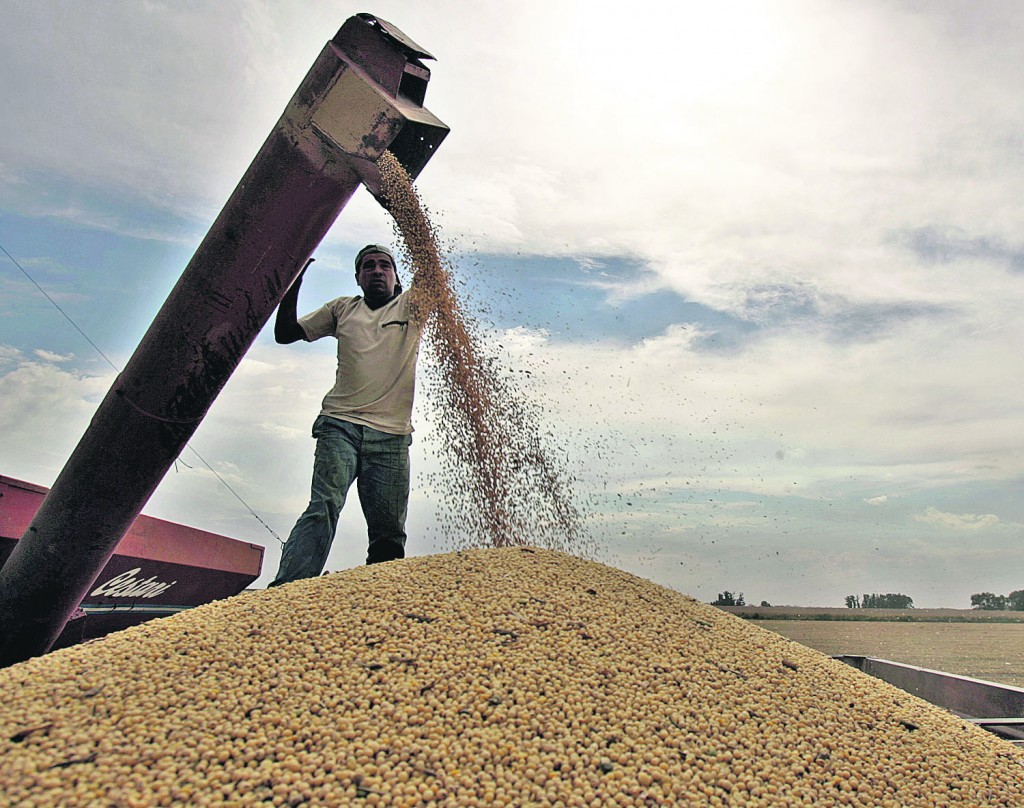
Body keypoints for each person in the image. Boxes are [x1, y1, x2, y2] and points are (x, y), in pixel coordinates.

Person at [269, 244, 421, 585]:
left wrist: (406, 217)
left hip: (392, 436)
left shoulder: (411, 305)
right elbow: (285, 334)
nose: (377, 271)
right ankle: (286, 590)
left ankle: (381, 595)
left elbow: (430, 268)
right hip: (340, 424)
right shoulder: (343, 308)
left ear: (396, 277)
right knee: (323, 506)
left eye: (385, 265)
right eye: (368, 266)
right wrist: (292, 282)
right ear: (358, 277)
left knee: (388, 531)